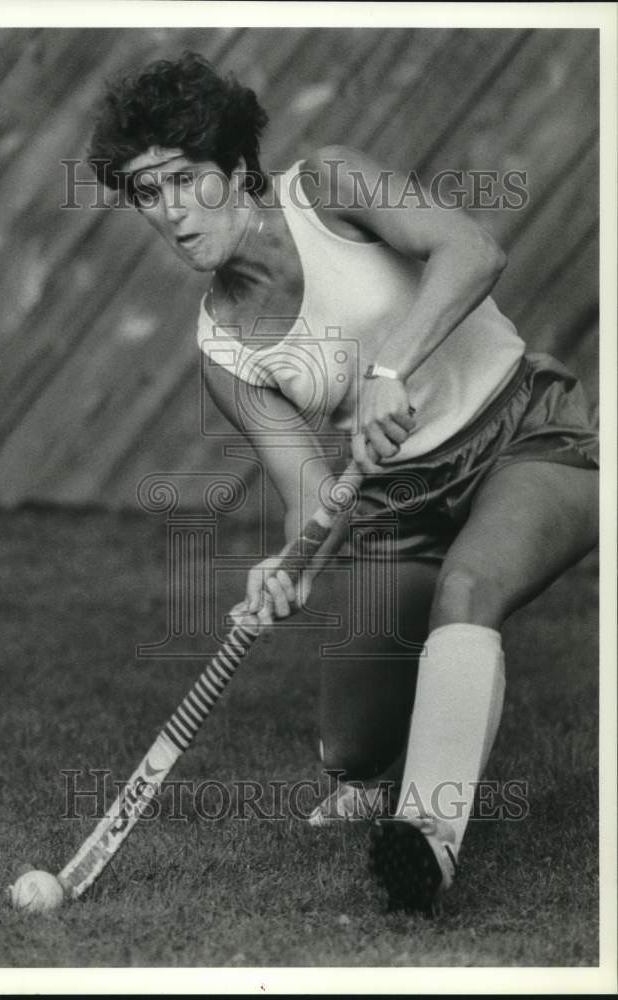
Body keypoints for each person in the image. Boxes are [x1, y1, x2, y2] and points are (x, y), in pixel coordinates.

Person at [87, 52, 599, 915]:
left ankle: (427, 840)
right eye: (146, 192)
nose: (171, 210)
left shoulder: (328, 186)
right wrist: (289, 566)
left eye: (184, 179)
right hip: (399, 504)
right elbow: (310, 492)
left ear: (235, 168)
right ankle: (380, 775)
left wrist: (391, 368)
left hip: (524, 432)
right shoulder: (223, 348)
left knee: (468, 591)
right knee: (350, 752)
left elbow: (473, 251)